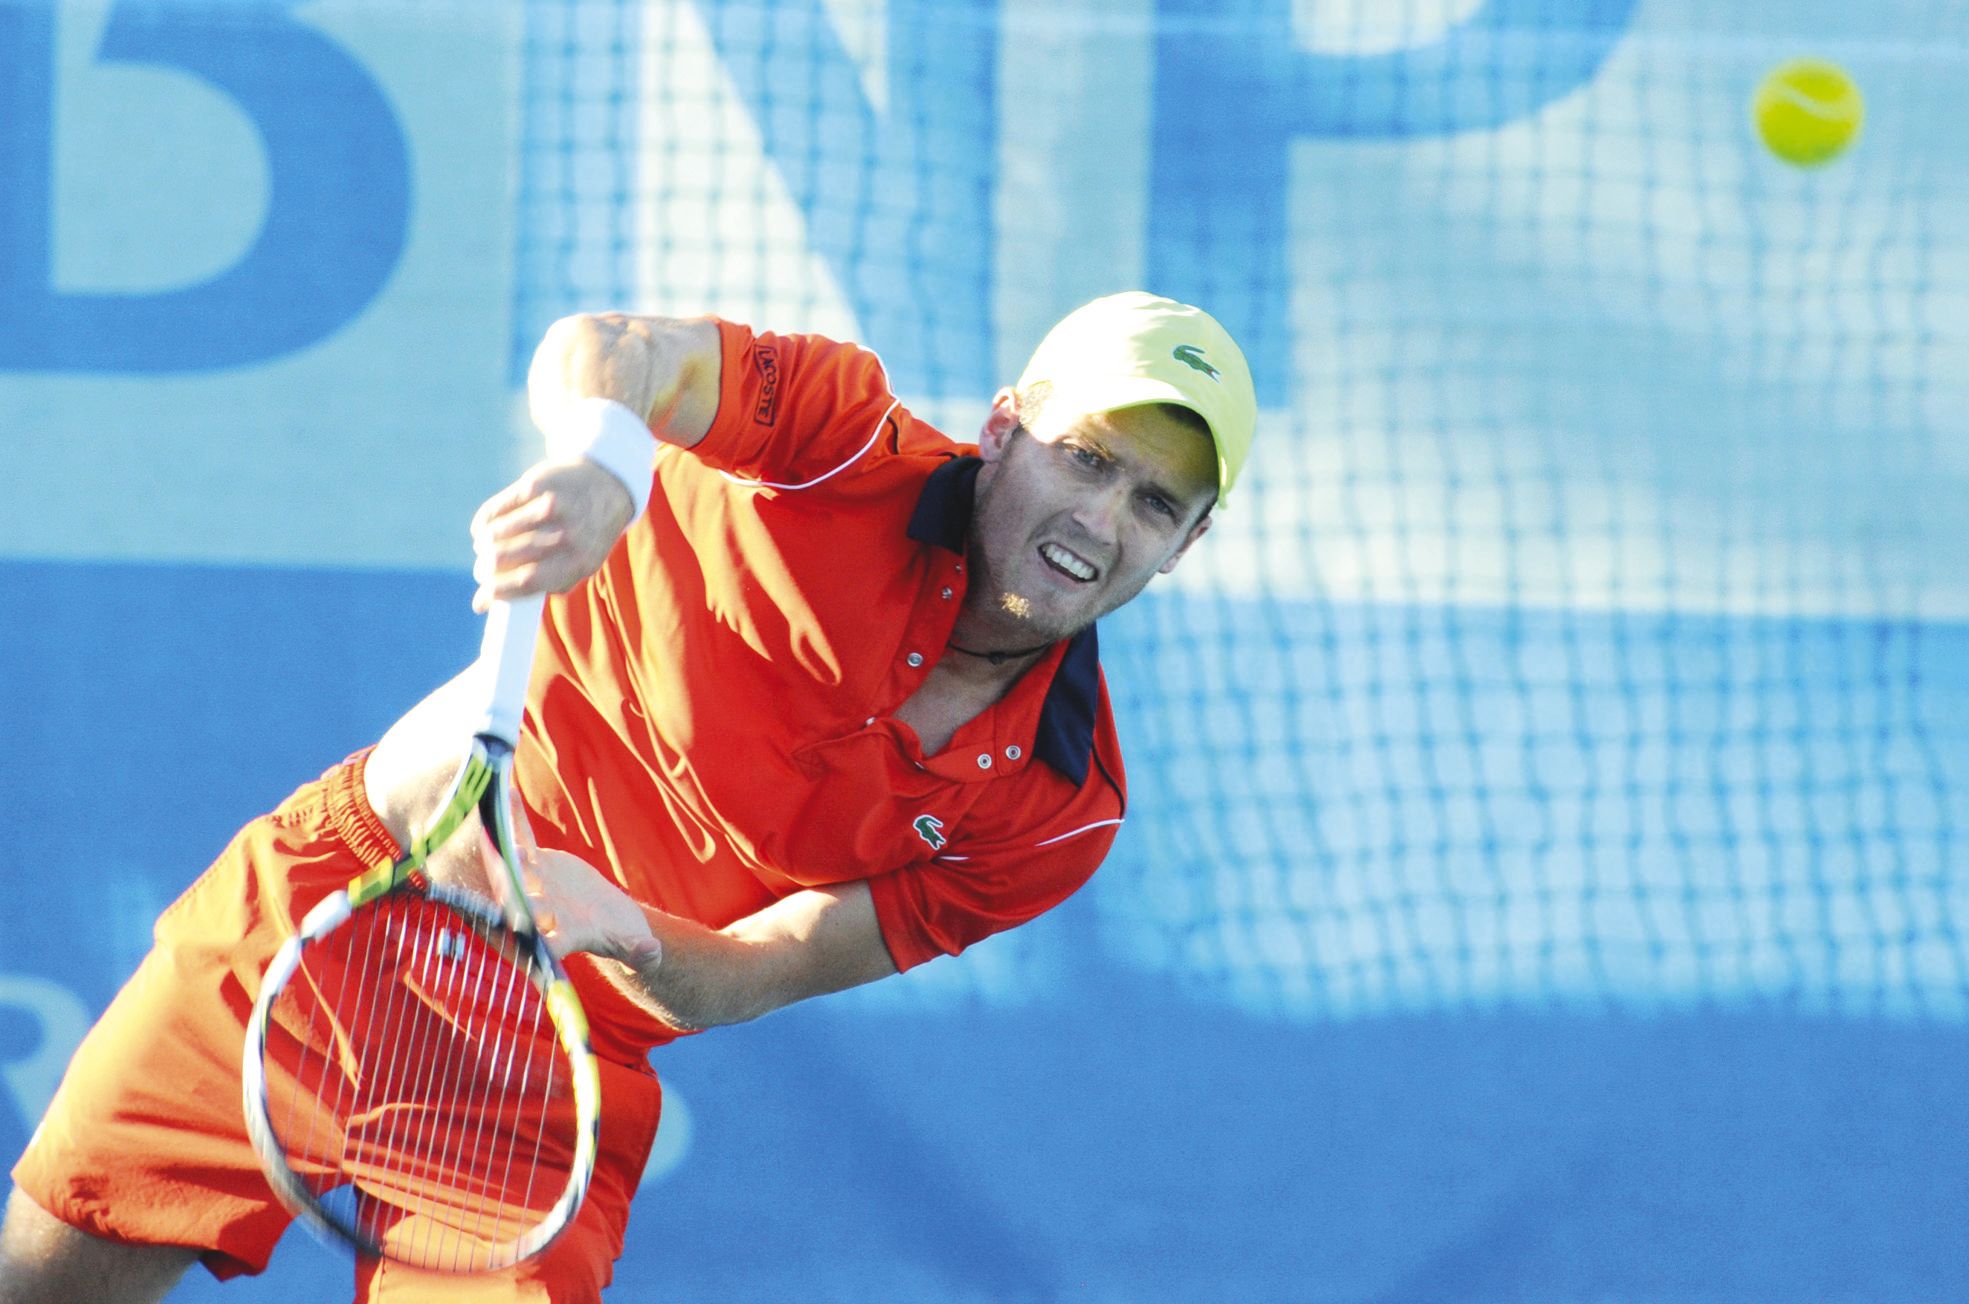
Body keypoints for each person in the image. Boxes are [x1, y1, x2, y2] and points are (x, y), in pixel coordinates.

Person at [0, 291, 1257, 1302]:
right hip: (334, 901)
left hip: (549, 1053)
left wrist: (631, 932)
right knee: (46, 1276)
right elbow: (615, 348)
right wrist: (603, 461)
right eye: (1082, 458)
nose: (1098, 517)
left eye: (1154, 502)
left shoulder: (1058, 810)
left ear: (1187, 542)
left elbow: (760, 968)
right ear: (1004, 426)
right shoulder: (835, 443)